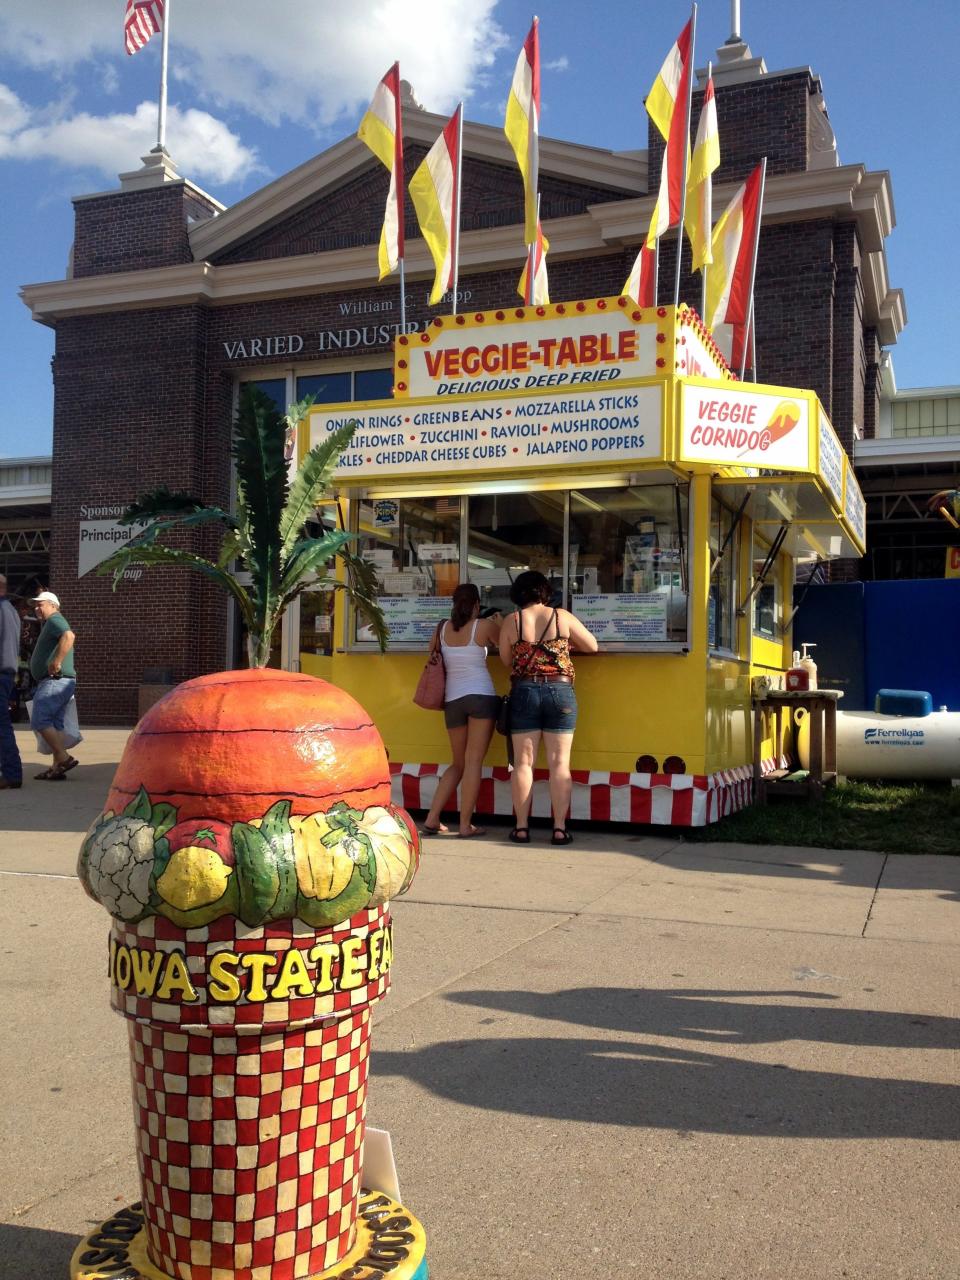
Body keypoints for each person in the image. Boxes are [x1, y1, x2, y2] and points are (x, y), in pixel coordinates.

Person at [498, 570, 598, 845]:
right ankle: (559, 828)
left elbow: (507, 660)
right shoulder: (561, 616)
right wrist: (564, 646)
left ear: (518, 593)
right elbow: (592, 645)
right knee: (560, 764)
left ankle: (520, 827)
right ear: (545, 591)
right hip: (561, 692)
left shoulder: (512, 621)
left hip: (524, 691)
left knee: (523, 763)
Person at [421, 584, 502, 838]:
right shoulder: (484, 626)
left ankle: (433, 818)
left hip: (453, 700)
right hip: (480, 696)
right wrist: (499, 621)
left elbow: (432, 653)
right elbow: (508, 647)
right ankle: (466, 825)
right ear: (477, 603)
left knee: (457, 763)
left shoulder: (442, 629)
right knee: (473, 761)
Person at [29, 590, 79, 781]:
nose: (36, 608)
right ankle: (56, 767)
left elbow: (69, 636)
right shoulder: (50, 624)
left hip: (55, 681)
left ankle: (64, 758)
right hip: (59, 682)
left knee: (40, 719)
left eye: (40, 604)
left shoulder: (55, 620)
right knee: (55, 725)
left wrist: (57, 661)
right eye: (36, 605)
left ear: (52, 604)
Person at [0, 574, 23, 790]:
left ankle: (11, 773)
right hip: (6, 673)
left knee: (1, 726)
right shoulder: (11, 611)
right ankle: (10, 771)